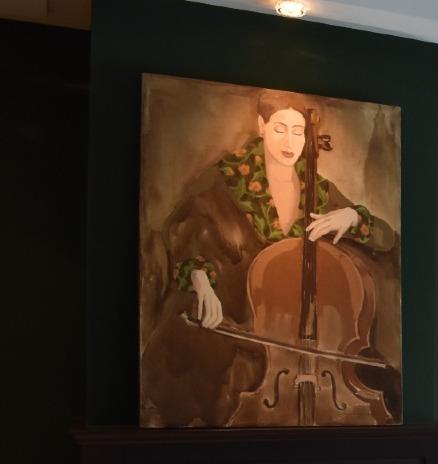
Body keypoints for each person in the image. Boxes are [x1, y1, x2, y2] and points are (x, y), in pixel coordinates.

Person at [139, 89, 401, 426]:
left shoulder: (317, 190)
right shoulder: (227, 178)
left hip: (295, 330)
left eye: (298, 131)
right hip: (237, 316)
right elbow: (190, 228)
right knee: (204, 364)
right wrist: (202, 282)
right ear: (262, 126)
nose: (289, 141)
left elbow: (386, 239)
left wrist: (353, 217)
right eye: (280, 128)